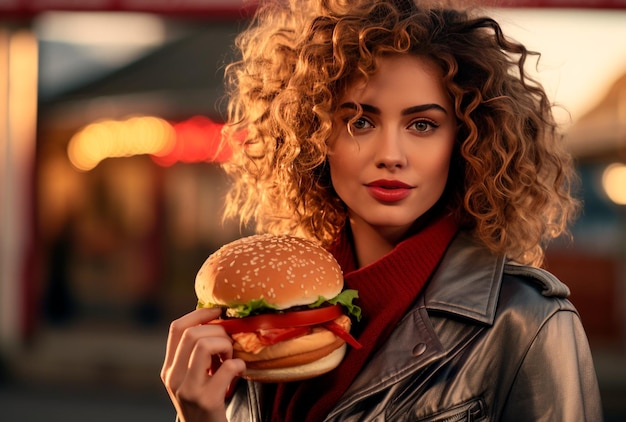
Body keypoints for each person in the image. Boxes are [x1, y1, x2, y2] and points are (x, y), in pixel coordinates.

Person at [160, 0, 603, 420]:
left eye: (422, 125)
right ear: (314, 136)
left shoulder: (528, 322)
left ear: (467, 141)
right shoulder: (258, 317)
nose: (391, 154)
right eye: (360, 122)